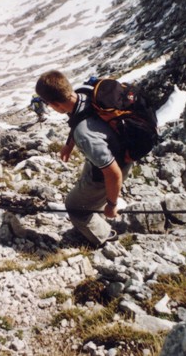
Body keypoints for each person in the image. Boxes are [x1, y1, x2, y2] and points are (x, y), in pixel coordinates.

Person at [35, 70, 133, 246]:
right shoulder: (85, 93)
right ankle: (93, 209)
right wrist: (69, 144)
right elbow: (77, 116)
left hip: (112, 169)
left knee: (75, 207)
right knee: (85, 191)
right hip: (118, 149)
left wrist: (111, 205)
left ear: (55, 105)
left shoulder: (84, 134)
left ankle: (106, 238)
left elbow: (113, 174)